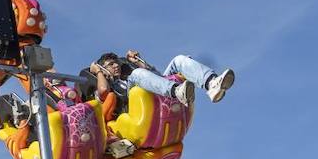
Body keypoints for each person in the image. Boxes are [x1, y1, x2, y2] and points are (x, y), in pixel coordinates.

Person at [90, 51, 235, 105]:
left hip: (160, 89)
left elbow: (155, 76)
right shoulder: (108, 85)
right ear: (103, 68)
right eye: (110, 65)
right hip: (131, 103)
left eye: (116, 63)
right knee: (137, 74)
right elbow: (103, 92)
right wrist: (98, 72)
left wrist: (137, 61)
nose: (115, 66)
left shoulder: (130, 74)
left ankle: (212, 83)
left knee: (179, 59)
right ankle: (177, 92)